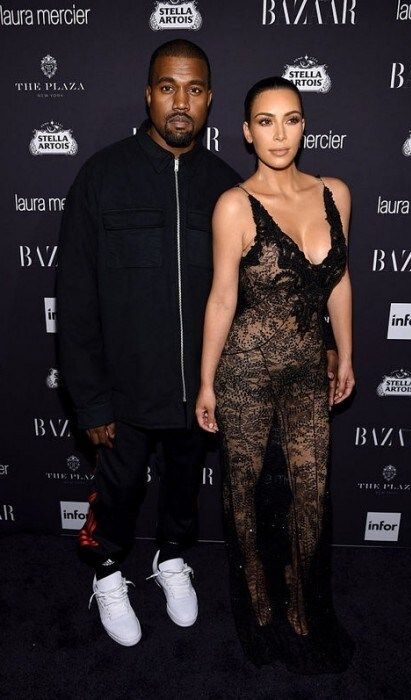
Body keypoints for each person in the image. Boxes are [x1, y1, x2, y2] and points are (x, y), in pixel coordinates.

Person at [57, 40, 241, 647]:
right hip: (124, 389)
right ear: (148, 93)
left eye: (193, 89)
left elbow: (256, 290)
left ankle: (170, 559)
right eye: (168, 87)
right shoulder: (102, 175)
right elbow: (77, 297)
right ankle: (108, 570)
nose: (180, 102)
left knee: (184, 485)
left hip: (200, 387)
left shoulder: (227, 188)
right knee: (118, 488)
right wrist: (92, 401)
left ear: (209, 99)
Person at [196, 77, 355, 674]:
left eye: (290, 119)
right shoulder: (235, 204)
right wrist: (208, 382)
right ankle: (259, 608)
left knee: (311, 491)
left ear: (305, 125)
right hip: (245, 372)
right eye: (265, 121)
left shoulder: (335, 193)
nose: (279, 133)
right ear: (246, 131)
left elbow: (339, 280)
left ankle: (305, 608)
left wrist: (347, 351)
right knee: (245, 497)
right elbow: (221, 299)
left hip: (309, 370)